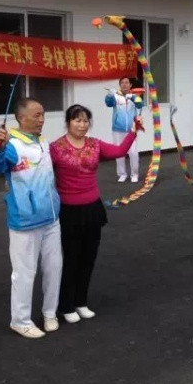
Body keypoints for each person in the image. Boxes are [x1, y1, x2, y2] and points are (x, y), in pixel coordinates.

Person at [50, 104, 141, 324]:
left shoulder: (95, 145)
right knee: (71, 258)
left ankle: (81, 302)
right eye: (77, 120)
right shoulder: (55, 147)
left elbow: (119, 152)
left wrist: (133, 132)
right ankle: (65, 305)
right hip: (69, 210)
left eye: (85, 120)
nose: (82, 125)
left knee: (88, 258)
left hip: (92, 209)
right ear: (68, 122)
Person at [0, 98, 63, 339]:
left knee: (53, 268)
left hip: (51, 219)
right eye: (36, 115)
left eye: (43, 114)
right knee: (24, 272)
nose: (42, 120)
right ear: (20, 118)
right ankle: (20, 320)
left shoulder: (43, 142)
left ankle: (50, 313)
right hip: (25, 222)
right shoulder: (12, 145)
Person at [105, 76, 144, 183]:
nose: (125, 84)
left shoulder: (135, 97)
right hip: (117, 130)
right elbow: (108, 103)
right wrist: (109, 96)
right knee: (118, 152)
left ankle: (134, 174)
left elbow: (141, 104)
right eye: (122, 83)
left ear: (130, 85)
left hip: (131, 130)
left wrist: (131, 97)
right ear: (120, 85)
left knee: (133, 153)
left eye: (127, 83)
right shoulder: (116, 97)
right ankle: (122, 174)